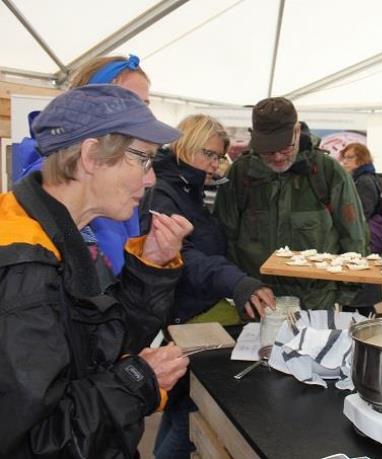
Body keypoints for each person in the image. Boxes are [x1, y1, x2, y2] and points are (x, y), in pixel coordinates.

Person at [0, 84, 192, 457]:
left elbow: (99, 348)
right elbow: (35, 442)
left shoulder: (59, 233)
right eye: (143, 158)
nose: (151, 179)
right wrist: (139, 381)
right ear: (91, 156)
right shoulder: (23, 269)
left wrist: (150, 266)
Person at [141, 114, 276, 458]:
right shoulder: (164, 191)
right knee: (189, 412)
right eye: (209, 155)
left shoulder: (189, 188)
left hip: (195, 308)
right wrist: (236, 282)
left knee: (179, 404)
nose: (215, 165)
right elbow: (185, 256)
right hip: (186, 313)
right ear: (186, 144)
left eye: (219, 157)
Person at [214, 97, 368, 310]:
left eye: (285, 148)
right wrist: (238, 287)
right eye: (268, 150)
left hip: (316, 304)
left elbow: (354, 239)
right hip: (258, 302)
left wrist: (345, 298)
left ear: (297, 131)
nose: (277, 157)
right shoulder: (241, 174)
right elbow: (224, 237)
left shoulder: (328, 172)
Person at [18, 54, 152, 275]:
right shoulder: (54, 178)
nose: (143, 115)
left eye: (145, 105)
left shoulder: (118, 170)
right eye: (130, 102)